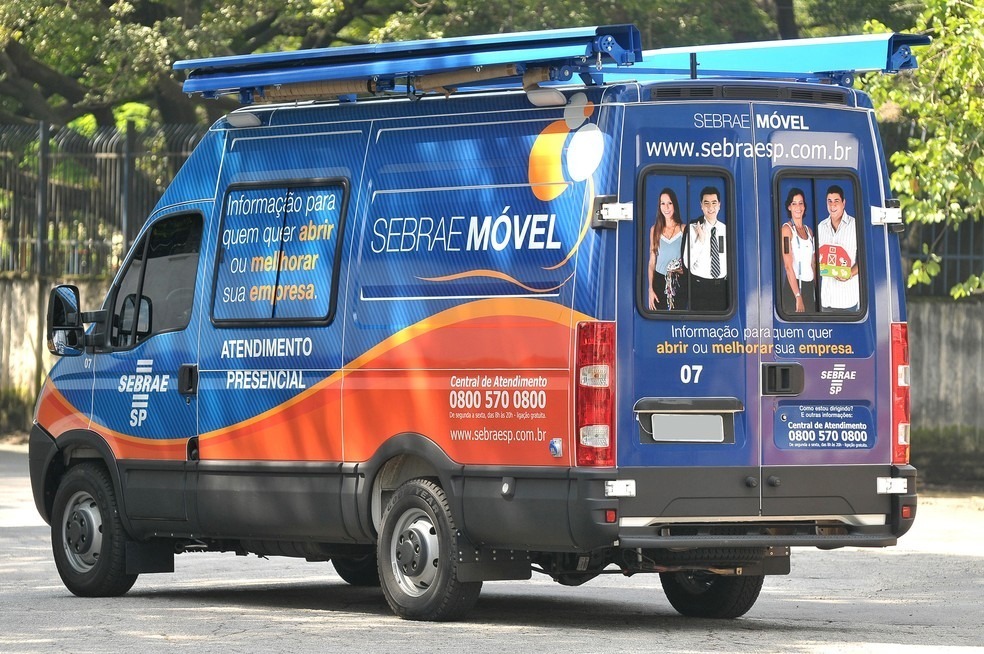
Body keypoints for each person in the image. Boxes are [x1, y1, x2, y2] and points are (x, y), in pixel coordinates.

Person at [684, 186, 728, 312]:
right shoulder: (693, 228)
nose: (710, 207)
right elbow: (687, 263)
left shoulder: (725, 229)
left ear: (719, 205)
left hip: (722, 288)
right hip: (699, 288)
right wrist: (701, 240)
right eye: (706, 203)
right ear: (701, 206)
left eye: (714, 203)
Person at [816, 184, 859, 311]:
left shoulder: (855, 226)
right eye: (829, 201)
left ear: (843, 203)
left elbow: (866, 258)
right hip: (826, 301)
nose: (832, 205)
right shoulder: (821, 227)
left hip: (847, 301)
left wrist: (850, 273)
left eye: (836, 201)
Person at [647, 188, 686, 310]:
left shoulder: (683, 229)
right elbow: (652, 262)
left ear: (674, 205)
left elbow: (691, 260)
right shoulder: (654, 230)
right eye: (662, 203)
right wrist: (650, 289)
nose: (666, 207)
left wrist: (682, 270)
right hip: (659, 282)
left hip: (678, 282)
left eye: (669, 203)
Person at [780, 187, 816, 313]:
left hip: (809, 286)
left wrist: (816, 289)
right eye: (794, 203)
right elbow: (788, 266)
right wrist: (798, 296)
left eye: (801, 203)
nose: (798, 207)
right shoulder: (787, 230)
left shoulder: (809, 231)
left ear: (804, 206)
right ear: (789, 207)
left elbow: (813, 263)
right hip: (794, 288)